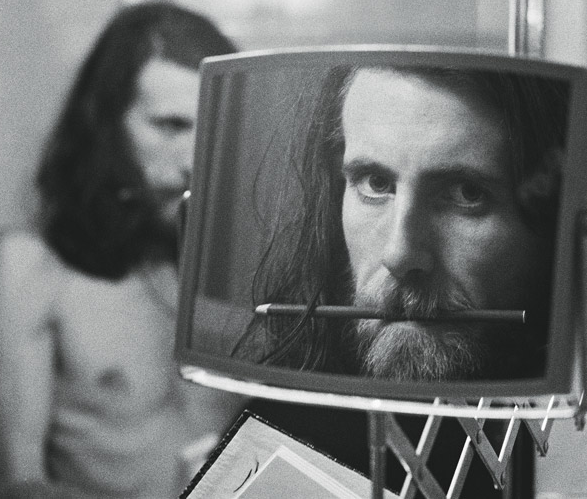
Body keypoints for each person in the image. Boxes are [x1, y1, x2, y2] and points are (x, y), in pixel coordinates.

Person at [239, 63, 568, 497]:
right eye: (375, 183)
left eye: (466, 193)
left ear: (552, 224)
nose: (399, 254)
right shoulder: (291, 416)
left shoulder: (572, 445)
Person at [0, 1, 244, 498]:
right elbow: (18, 485)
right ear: (106, 126)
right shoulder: (33, 266)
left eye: (211, 130)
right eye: (169, 126)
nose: (195, 161)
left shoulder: (242, 276)